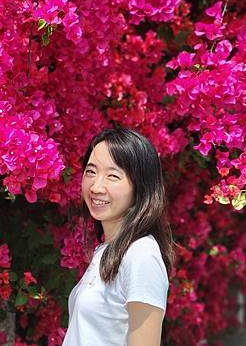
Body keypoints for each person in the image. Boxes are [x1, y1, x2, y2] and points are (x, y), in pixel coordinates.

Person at [62, 127, 174, 346]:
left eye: (113, 176)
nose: (96, 186)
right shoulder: (106, 251)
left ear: (140, 188)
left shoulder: (142, 255)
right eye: (91, 171)